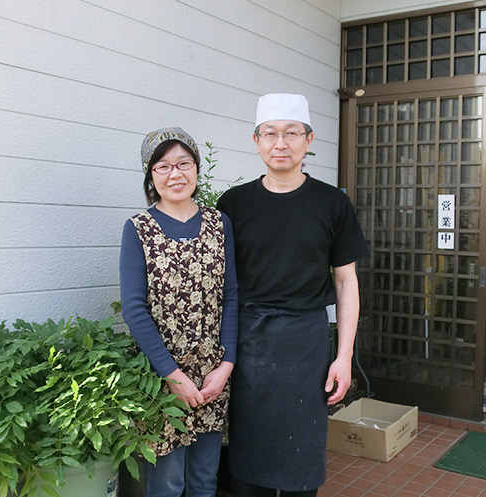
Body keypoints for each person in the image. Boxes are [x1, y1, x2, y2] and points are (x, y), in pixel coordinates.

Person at [217, 94, 368, 497]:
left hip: (307, 341)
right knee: (248, 459)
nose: (280, 143)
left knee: (303, 456)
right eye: (270, 134)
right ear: (256, 140)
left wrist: (344, 355)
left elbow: (346, 282)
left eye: (290, 134)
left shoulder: (332, 202)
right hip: (249, 343)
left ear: (308, 140)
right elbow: (221, 284)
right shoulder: (233, 203)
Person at [119, 127, 238, 497]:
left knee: (205, 481)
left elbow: (231, 296)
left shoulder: (219, 224)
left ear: (196, 170)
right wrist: (171, 375)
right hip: (160, 378)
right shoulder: (138, 229)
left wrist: (226, 366)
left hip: (211, 378)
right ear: (150, 176)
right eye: (163, 166)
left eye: (184, 163)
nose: (175, 174)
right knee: (167, 485)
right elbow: (134, 309)